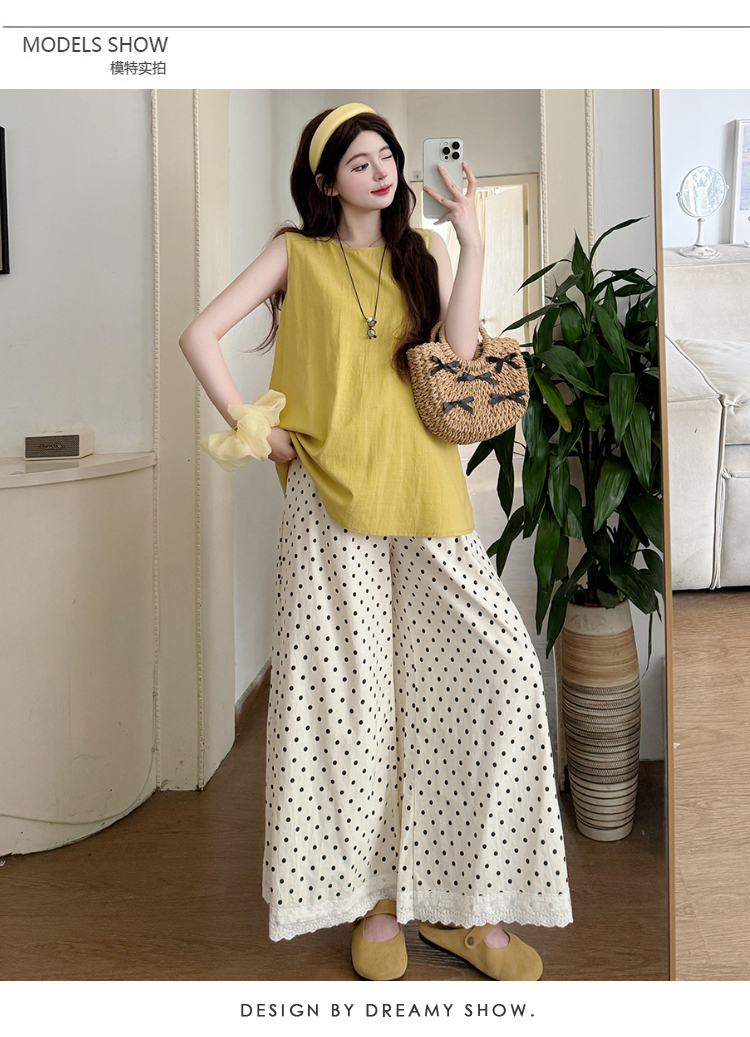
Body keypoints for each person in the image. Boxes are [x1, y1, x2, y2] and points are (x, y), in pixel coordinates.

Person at [179, 102, 572, 982]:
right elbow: (198, 334)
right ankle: (377, 903)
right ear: (327, 183)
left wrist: (470, 239)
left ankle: (466, 905)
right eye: (360, 162)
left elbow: (460, 352)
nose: (382, 170)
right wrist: (257, 428)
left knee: (500, 676)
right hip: (330, 506)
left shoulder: (423, 252)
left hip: (428, 494)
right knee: (353, 712)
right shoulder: (297, 253)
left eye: (386, 155)